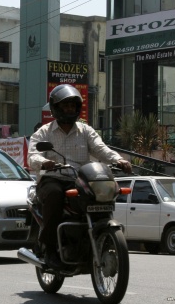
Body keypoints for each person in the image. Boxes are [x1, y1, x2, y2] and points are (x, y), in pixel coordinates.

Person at [28, 84, 132, 269]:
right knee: (54, 195)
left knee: (101, 196)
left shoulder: (86, 131)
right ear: (56, 108)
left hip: (80, 178)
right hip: (54, 179)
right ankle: (50, 248)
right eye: (65, 105)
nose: (69, 109)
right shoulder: (44, 132)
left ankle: (98, 236)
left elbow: (101, 149)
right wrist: (44, 163)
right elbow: (32, 156)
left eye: (72, 106)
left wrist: (119, 160)